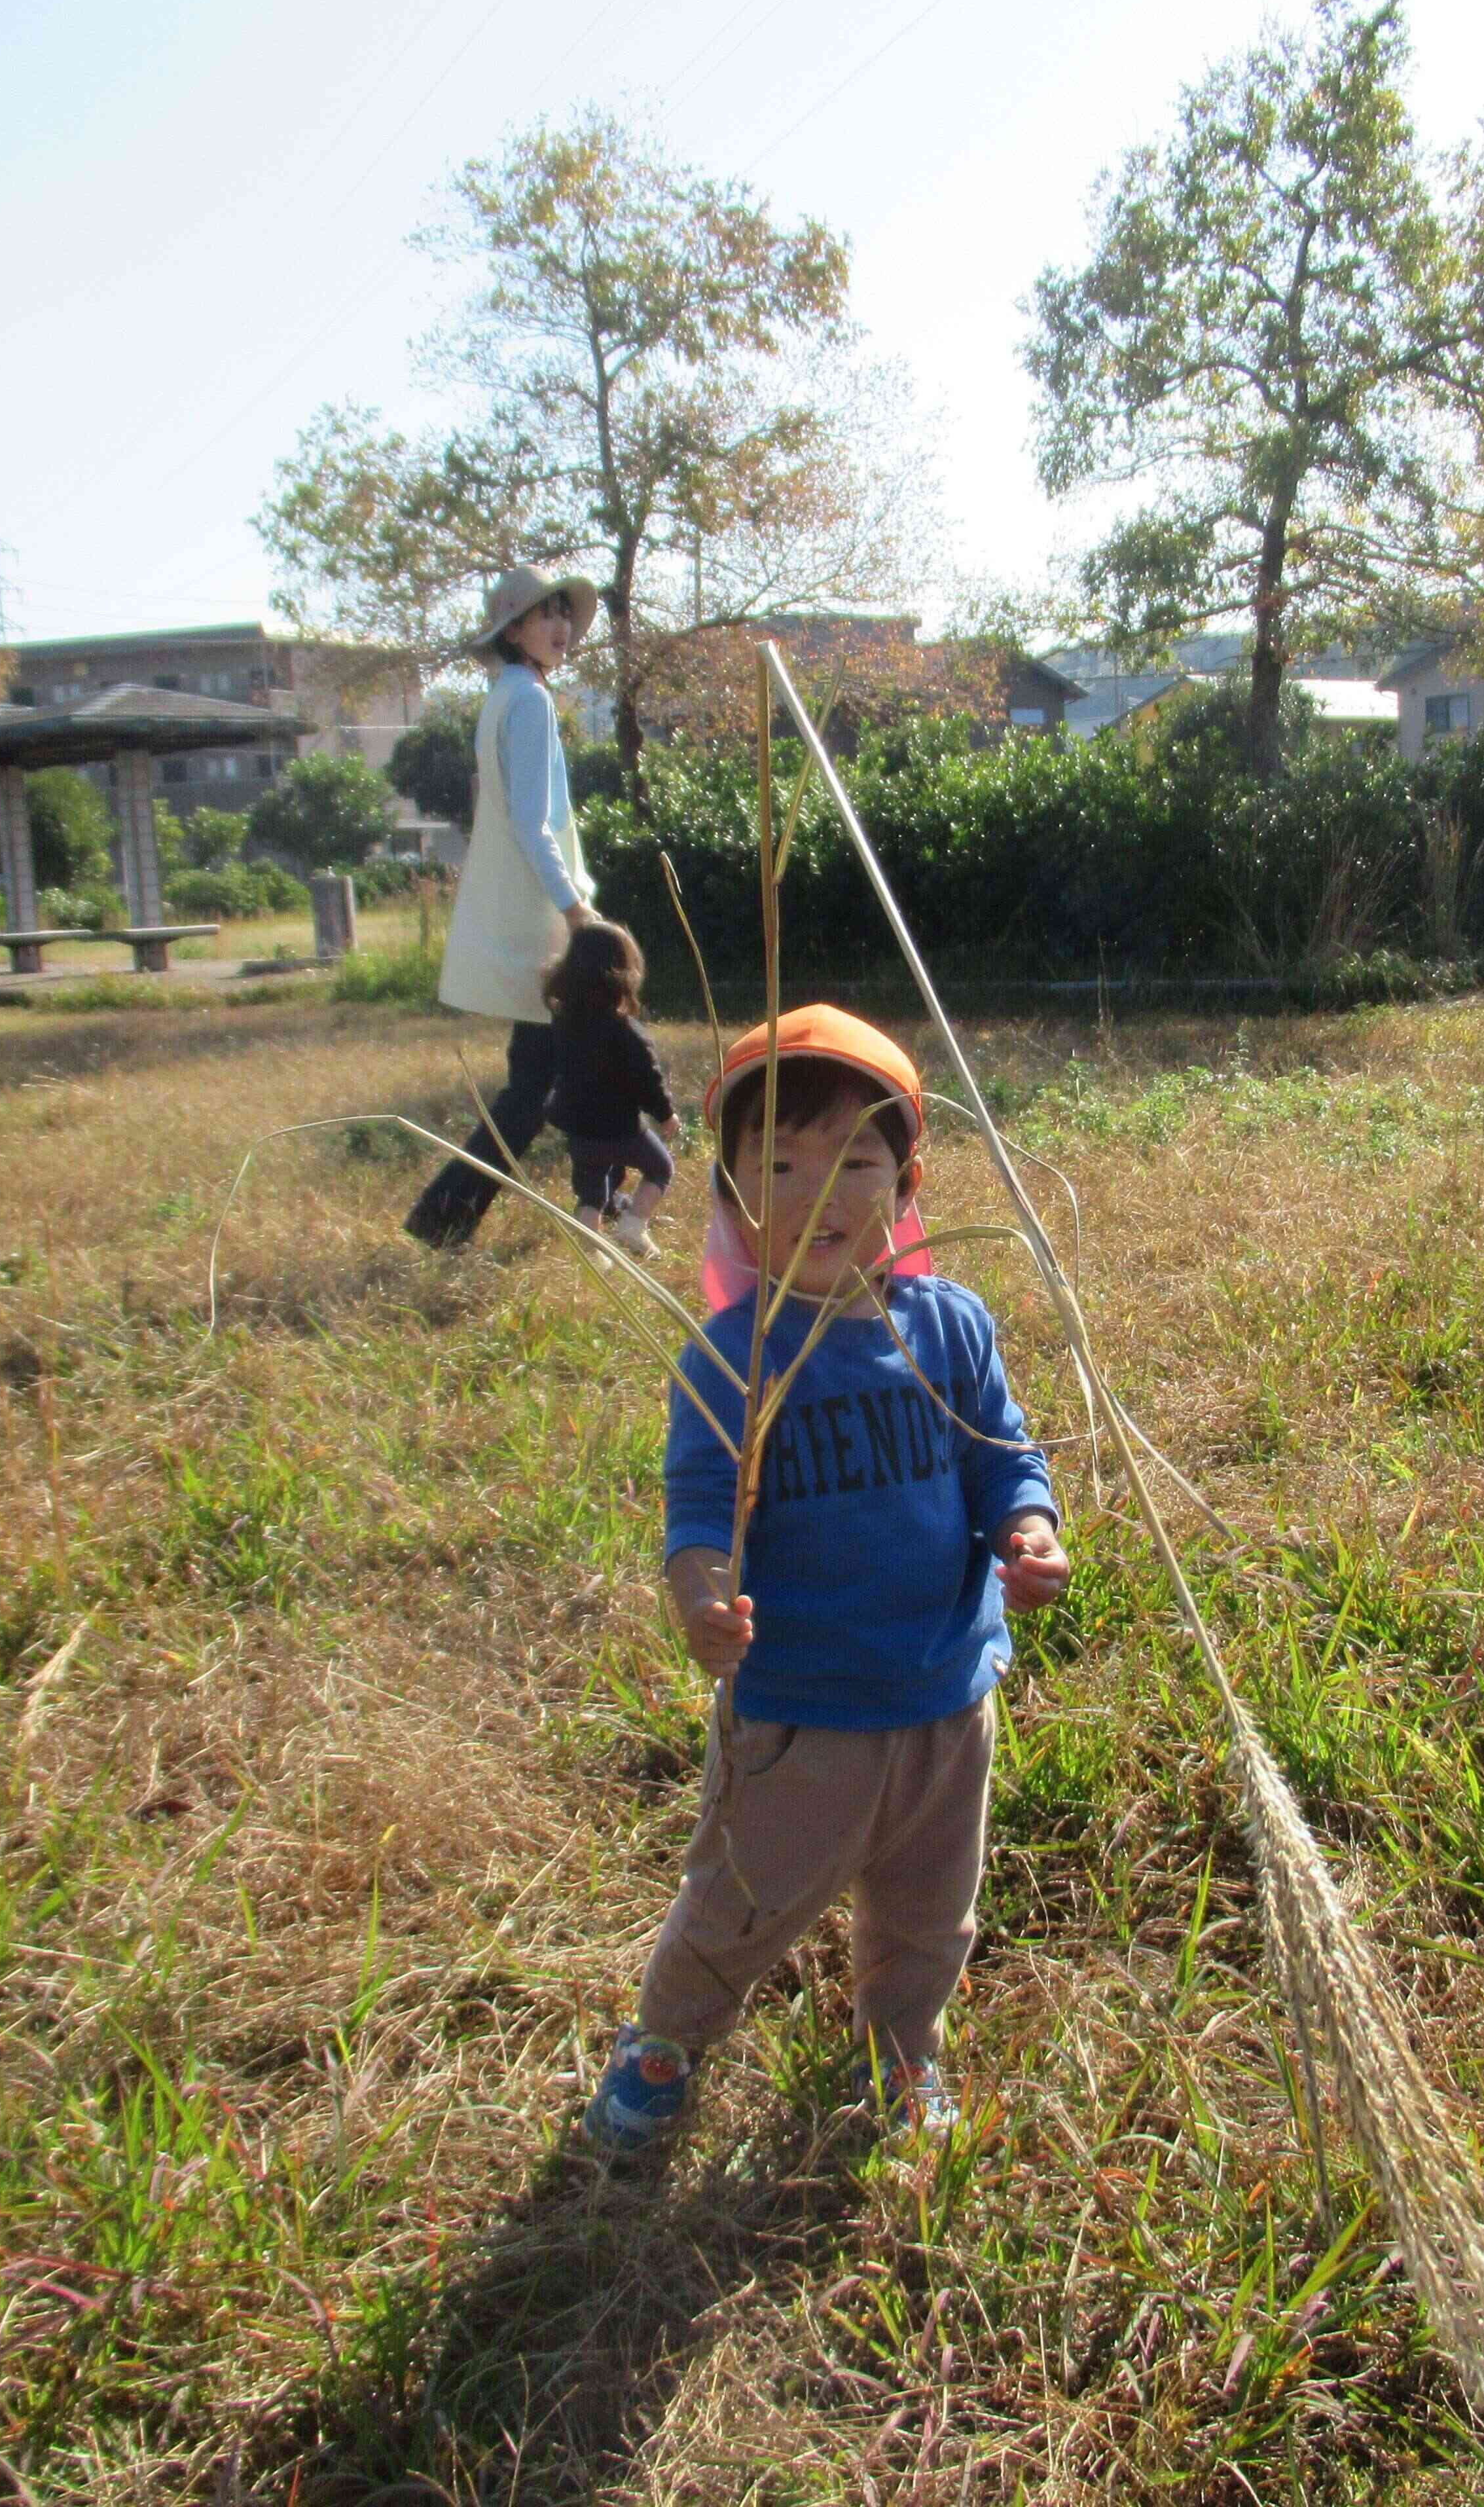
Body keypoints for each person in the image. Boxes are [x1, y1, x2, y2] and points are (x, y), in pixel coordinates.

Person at [586, 1006, 1069, 2150]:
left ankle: (903, 2051)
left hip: (948, 1697)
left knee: (927, 1912)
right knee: (740, 1902)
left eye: (853, 1159)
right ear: (732, 1189)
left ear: (906, 1178)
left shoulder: (947, 1326)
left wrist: (1030, 1530)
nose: (818, 1191)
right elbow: (698, 1509)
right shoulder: (730, 1355)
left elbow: (1002, 1454)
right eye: (780, 1163)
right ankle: (665, 2040)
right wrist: (701, 1594)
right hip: (799, 1714)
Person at [403, 566, 607, 1248]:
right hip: (543, 924)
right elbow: (531, 822)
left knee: (542, 1086)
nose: (561, 628)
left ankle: (450, 1218)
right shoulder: (529, 703)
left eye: (564, 614)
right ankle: (598, 1208)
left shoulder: (506, 696)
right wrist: (576, 909)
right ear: (512, 630)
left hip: (534, 919)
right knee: (551, 1088)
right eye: (544, 616)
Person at [541, 917, 677, 1256]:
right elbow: (648, 1079)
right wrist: (666, 1116)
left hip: (581, 1130)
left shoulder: (562, 1022)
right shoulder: (626, 1032)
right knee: (660, 1169)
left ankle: (591, 1254)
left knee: (592, 1194)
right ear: (623, 973)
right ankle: (634, 1225)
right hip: (621, 1130)